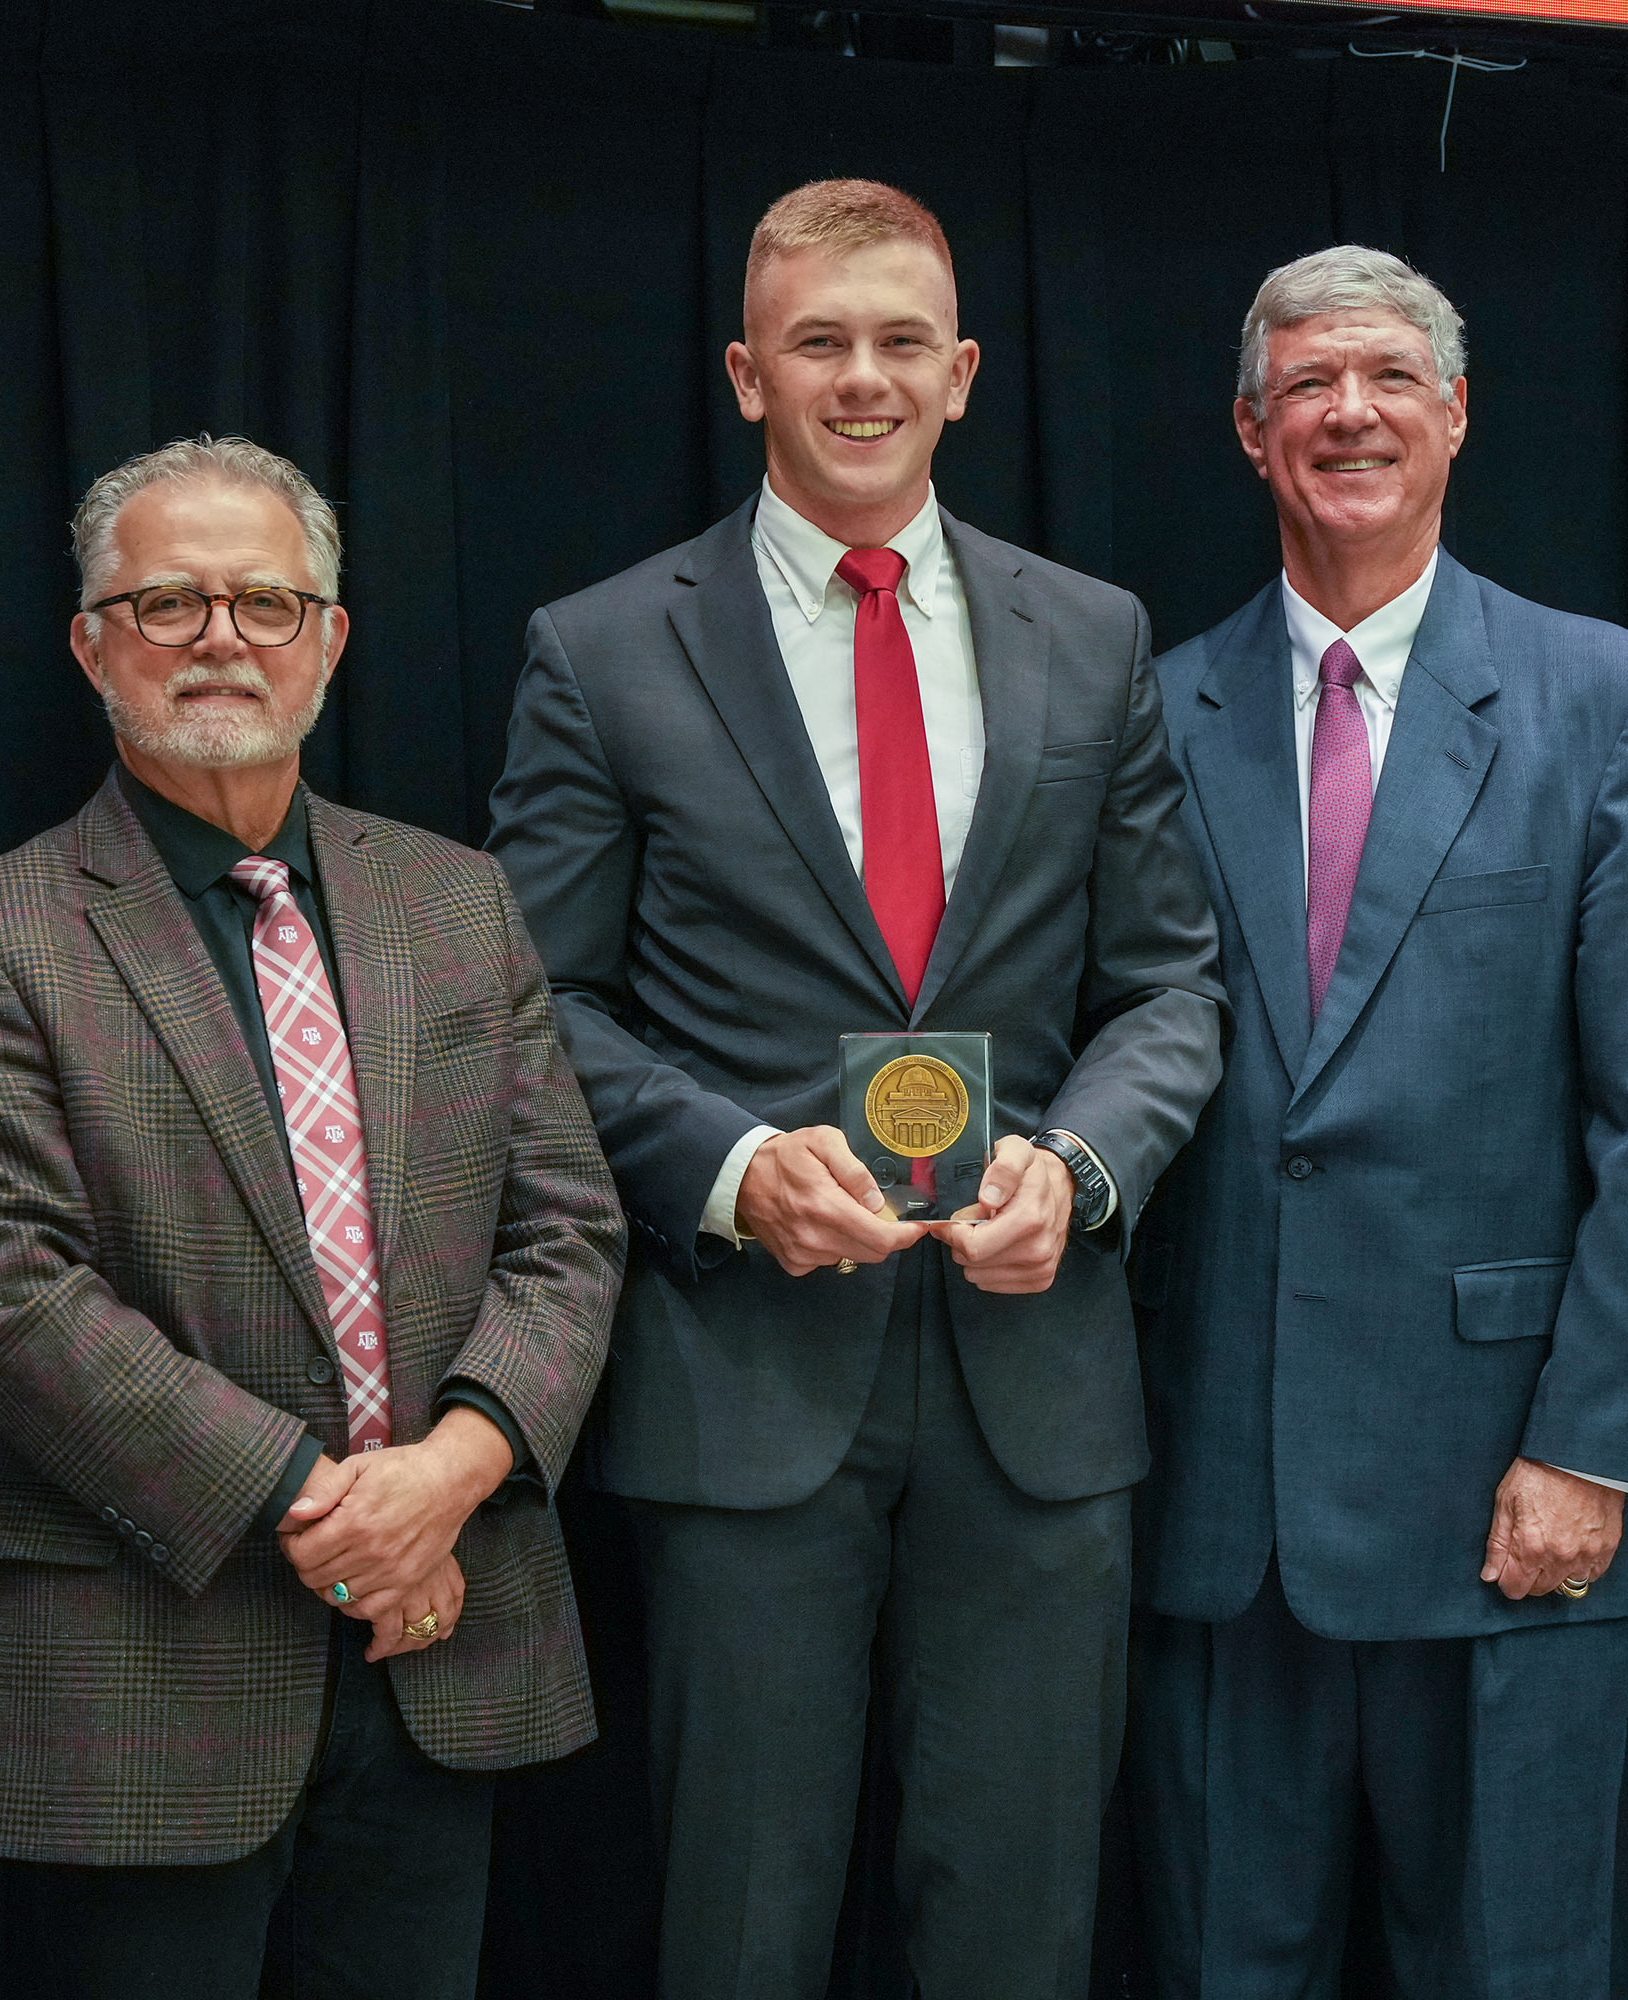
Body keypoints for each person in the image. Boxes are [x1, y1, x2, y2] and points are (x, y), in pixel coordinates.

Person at [486, 180, 1225, 2000]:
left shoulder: (1097, 634)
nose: (864, 379)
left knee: (1023, 1918)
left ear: (965, 373)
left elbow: (1169, 982)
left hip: (1034, 1392)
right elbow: (529, 1003)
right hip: (746, 1379)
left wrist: (1082, 1161)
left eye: (903, 342)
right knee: (741, 1919)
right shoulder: (600, 649)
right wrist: (730, 1165)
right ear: (747, 372)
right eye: (820, 342)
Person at [0, 435, 624, 1998]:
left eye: (266, 604)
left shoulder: (457, 901)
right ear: (90, 643)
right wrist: (342, 1517)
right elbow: (8, 1300)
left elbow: (569, 1228)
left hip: (446, 1637)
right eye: (166, 604)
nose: (222, 639)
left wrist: (451, 1474)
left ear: (332, 639)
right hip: (150, 1664)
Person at [1128, 246, 1628, 1997]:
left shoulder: (1615, 707)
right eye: (1308, 384)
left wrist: (1594, 1451)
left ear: (1458, 415)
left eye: (1392, 375)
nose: (1351, 411)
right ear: (1251, 433)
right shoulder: (1152, 716)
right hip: (1216, 1505)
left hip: (1511, 1502)